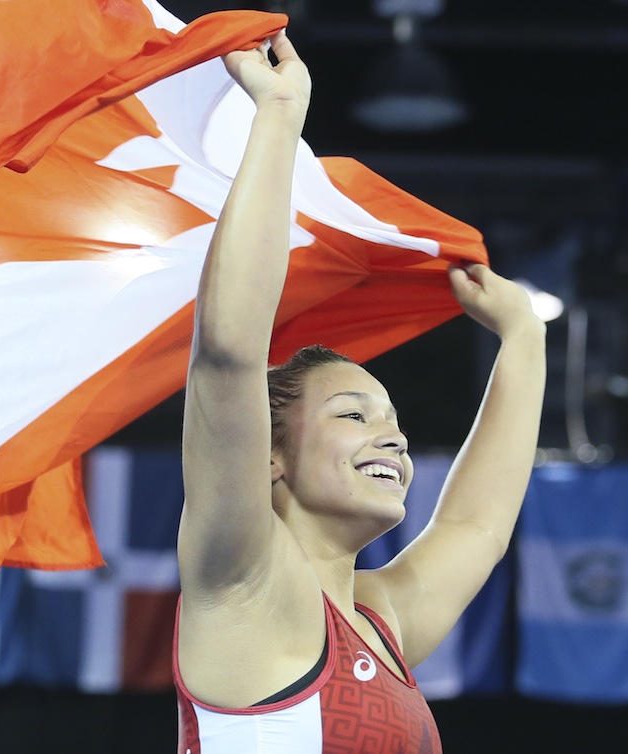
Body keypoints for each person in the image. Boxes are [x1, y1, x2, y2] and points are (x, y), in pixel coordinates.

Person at [174, 31, 546, 753]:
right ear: (270, 456)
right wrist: (279, 116)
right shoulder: (242, 579)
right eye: (354, 414)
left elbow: (477, 526)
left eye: (392, 421)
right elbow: (228, 353)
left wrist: (523, 335)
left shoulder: (381, 618)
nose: (394, 438)